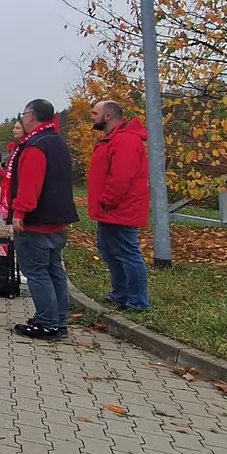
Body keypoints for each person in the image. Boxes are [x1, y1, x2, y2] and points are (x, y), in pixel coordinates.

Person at [5, 99, 80, 341]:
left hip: (37, 221)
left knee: (37, 272)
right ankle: (58, 320)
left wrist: (19, 213)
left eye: (24, 115)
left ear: (30, 116)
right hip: (57, 218)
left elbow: (30, 185)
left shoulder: (35, 146)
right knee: (54, 269)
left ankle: (47, 323)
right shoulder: (57, 141)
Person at [87, 100, 151, 312]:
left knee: (127, 253)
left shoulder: (125, 141)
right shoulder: (112, 139)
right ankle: (121, 294)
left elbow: (122, 177)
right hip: (110, 211)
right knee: (110, 252)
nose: (92, 117)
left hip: (120, 209)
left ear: (108, 116)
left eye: (95, 113)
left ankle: (137, 302)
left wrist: (107, 200)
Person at [0, 121, 26, 227]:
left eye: (18, 128)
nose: (14, 130)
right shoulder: (17, 148)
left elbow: (17, 172)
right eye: (14, 128)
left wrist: (2, 172)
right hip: (12, 189)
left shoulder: (25, 148)